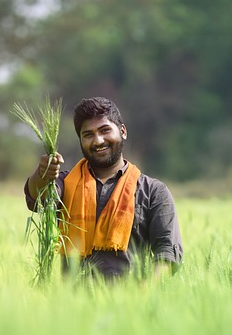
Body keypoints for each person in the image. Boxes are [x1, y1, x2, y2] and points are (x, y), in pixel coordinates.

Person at [24, 97, 183, 279]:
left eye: (105, 130)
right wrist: (42, 173)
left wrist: (144, 295)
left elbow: (167, 253)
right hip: (72, 304)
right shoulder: (65, 183)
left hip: (131, 302)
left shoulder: (154, 192)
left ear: (122, 131)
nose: (98, 141)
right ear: (81, 140)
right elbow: (38, 198)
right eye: (88, 134)